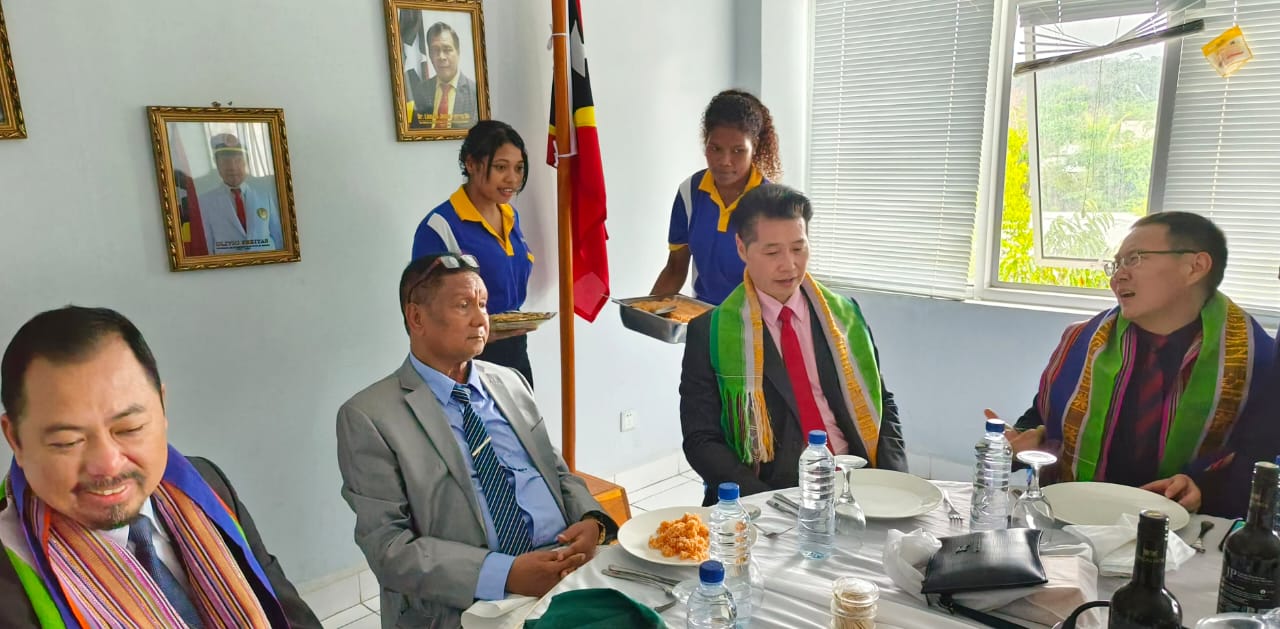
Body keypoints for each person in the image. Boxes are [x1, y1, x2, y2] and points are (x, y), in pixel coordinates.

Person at [335, 254, 617, 628]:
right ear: (416, 317)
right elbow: (389, 548)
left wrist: (591, 519)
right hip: (473, 601)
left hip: (568, 570)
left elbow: (557, 473)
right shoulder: (370, 416)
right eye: (463, 305)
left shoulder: (510, 382)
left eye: (483, 304)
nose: (481, 319)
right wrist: (505, 574)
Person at [0, 306, 319, 628]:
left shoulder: (204, 483)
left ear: (162, 407)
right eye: (67, 442)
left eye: (130, 428)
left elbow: (286, 611)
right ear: (15, 439)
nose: (108, 464)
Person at [1002, 212, 1275, 517]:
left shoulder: (1256, 361)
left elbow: (1256, 465)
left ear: (1195, 267)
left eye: (1134, 259)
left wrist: (1201, 489)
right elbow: (1042, 414)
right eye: (1116, 264)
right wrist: (1022, 438)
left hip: (1185, 531)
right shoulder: (1084, 342)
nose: (1117, 277)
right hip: (1075, 517)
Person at [680, 184, 907, 506]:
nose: (789, 265)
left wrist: (895, 481)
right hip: (771, 490)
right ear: (742, 248)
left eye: (799, 248)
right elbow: (701, 440)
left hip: (854, 476)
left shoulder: (845, 316)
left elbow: (882, 402)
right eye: (772, 252)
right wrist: (767, 502)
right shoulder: (710, 332)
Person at [412, 120, 537, 385]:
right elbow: (422, 311)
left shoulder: (510, 215)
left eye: (518, 168)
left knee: (520, 413)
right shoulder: (440, 226)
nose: (512, 179)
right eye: (501, 167)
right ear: (471, 164)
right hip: (463, 360)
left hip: (514, 352)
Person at [651, 89, 782, 306]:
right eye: (716, 148)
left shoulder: (774, 204)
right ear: (706, 143)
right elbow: (675, 268)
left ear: (755, 147)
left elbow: (781, 285)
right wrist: (646, 312)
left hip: (755, 321)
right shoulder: (689, 193)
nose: (725, 161)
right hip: (704, 317)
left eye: (738, 150)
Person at [195, 133, 284, 254]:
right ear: (217, 165)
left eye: (238, 160)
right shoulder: (205, 202)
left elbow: (278, 239)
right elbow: (207, 246)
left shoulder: (264, 197)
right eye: (225, 161)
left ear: (246, 163)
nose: (232, 167)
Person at [408, 21, 478, 130]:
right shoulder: (420, 91)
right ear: (430, 55)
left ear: (458, 52)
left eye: (447, 50)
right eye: (435, 50)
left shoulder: (475, 93)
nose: (441, 57)